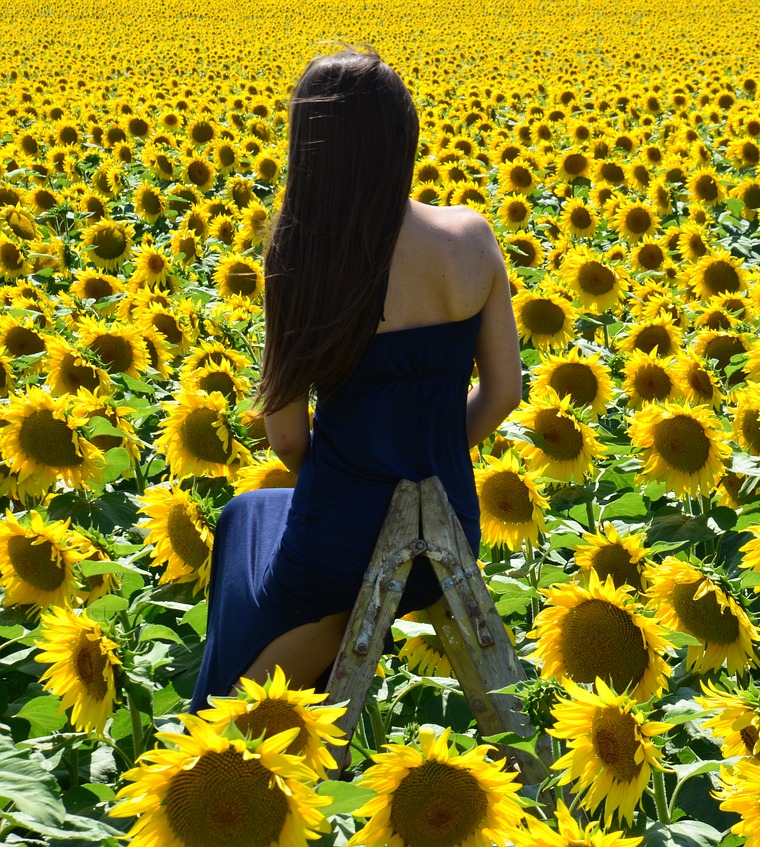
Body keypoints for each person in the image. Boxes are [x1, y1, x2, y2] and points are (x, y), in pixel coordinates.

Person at [190, 47, 522, 710]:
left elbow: (286, 440)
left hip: (338, 539)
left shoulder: (301, 251)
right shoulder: (470, 236)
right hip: (446, 534)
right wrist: (432, 456)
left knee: (243, 524)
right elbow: (506, 391)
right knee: (252, 517)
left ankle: (224, 729)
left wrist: (349, 479)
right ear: (404, 138)